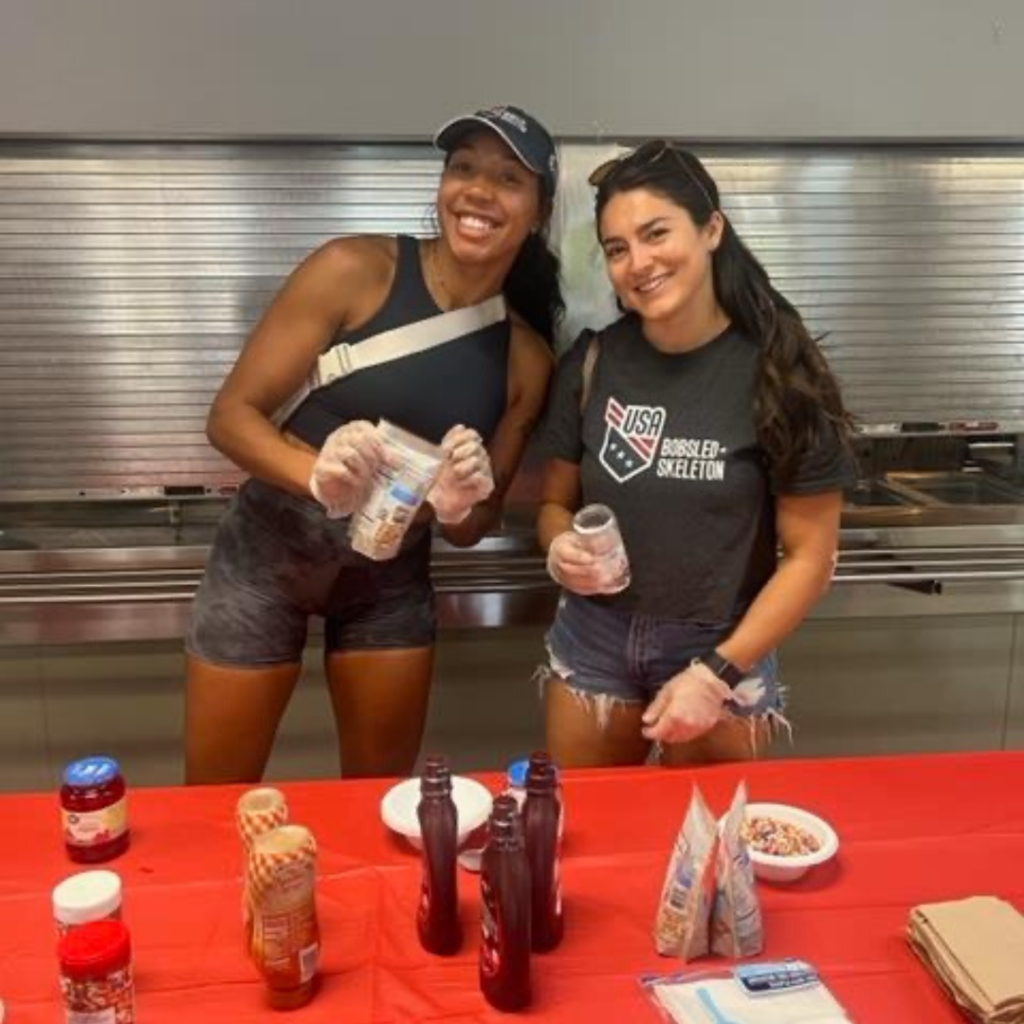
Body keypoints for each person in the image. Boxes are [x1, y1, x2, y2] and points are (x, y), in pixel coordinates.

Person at [184, 105, 563, 783]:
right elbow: (231, 416)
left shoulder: (527, 359)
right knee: (214, 800)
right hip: (265, 555)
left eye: (508, 177)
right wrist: (316, 474)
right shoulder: (354, 269)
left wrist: (456, 505)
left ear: (539, 212)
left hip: (390, 577)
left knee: (379, 803)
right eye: (464, 167)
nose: (478, 189)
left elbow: (477, 524)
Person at [537, 140, 855, 769]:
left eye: (657, 234)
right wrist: (559, 548)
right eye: (617, 248)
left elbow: (812, 559)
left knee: (711, 854)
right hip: (594, 638)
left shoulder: (782, 372)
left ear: (712, 229)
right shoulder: (594, 361)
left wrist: (715, 674)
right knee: (594, 837)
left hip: (724, 642)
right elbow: (553, 503)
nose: (638, 262)